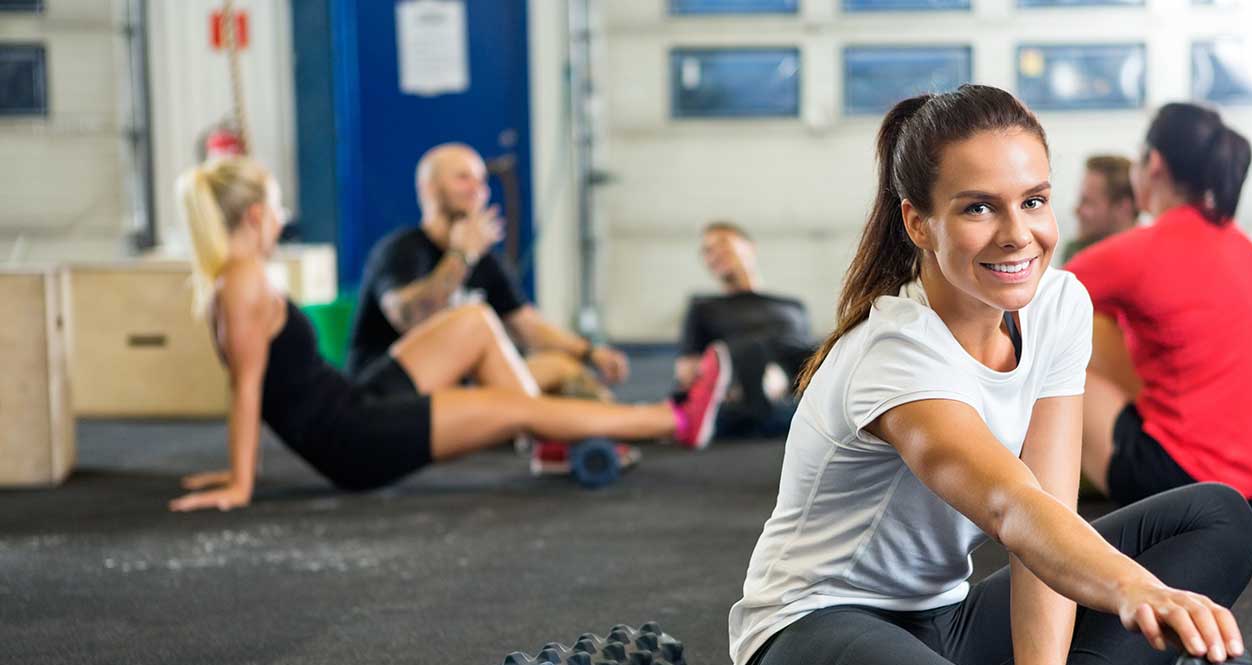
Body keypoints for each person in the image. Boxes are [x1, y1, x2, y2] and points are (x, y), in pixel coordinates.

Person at [727, 86, 1252, 665]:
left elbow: (1049, 509)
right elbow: (1012, 508)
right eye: (978, 207)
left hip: (939, 619)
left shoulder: (1055, 305)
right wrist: (1133, 588)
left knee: (1216, 518)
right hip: (809, 633)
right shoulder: (895, 354)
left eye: (1035, 201)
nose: (1019, 234)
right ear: (919, 223)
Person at [169, 157, 727, 512]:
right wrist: (240, 485)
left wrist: (240, 471)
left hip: (355, 403)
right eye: (279, 207)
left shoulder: (235, 280)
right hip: (354, 438)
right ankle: (668, 419)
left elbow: (258, 389)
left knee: (475, 321)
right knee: (515, 405)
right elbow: (247, 387)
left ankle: (555, 436)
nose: (284, 217)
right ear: (257, 215)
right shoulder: (243, 280)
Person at [1069, 104, 1252, 512]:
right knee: (1111, 322)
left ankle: (1033, 504)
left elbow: (1029, 302)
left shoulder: (1139, 250)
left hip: (1180, 483)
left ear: (1152, 164)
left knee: (1053, 354)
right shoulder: (1243, 246)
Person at [347, 143, 627, 401]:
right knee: (477, 320)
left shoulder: (487, 261)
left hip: (455, 386)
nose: (477, 189)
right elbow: (411, 319)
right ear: (429, 188)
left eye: (481, 181)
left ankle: (610, 434)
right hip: (391, 393)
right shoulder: (401, 250)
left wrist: (590, 352)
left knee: (563, 368)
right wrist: (461, 256)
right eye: (463, 178)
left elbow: (526, 326)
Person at [676, 222, 816, 437]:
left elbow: (809, 360)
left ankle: (775, 388)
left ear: (750, 247)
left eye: (722, 243)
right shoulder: (703, 308)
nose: (714, 254)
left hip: (793, 385)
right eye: (707, 251)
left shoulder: (793, 306)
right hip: (739, 389)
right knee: (751, 350)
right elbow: (687, 372)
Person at [1060, 154, 1138, 264]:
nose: (1076, 210)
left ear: (1122, 208)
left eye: (1088, 202)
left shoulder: (1149, 260)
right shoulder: (1076, 252)